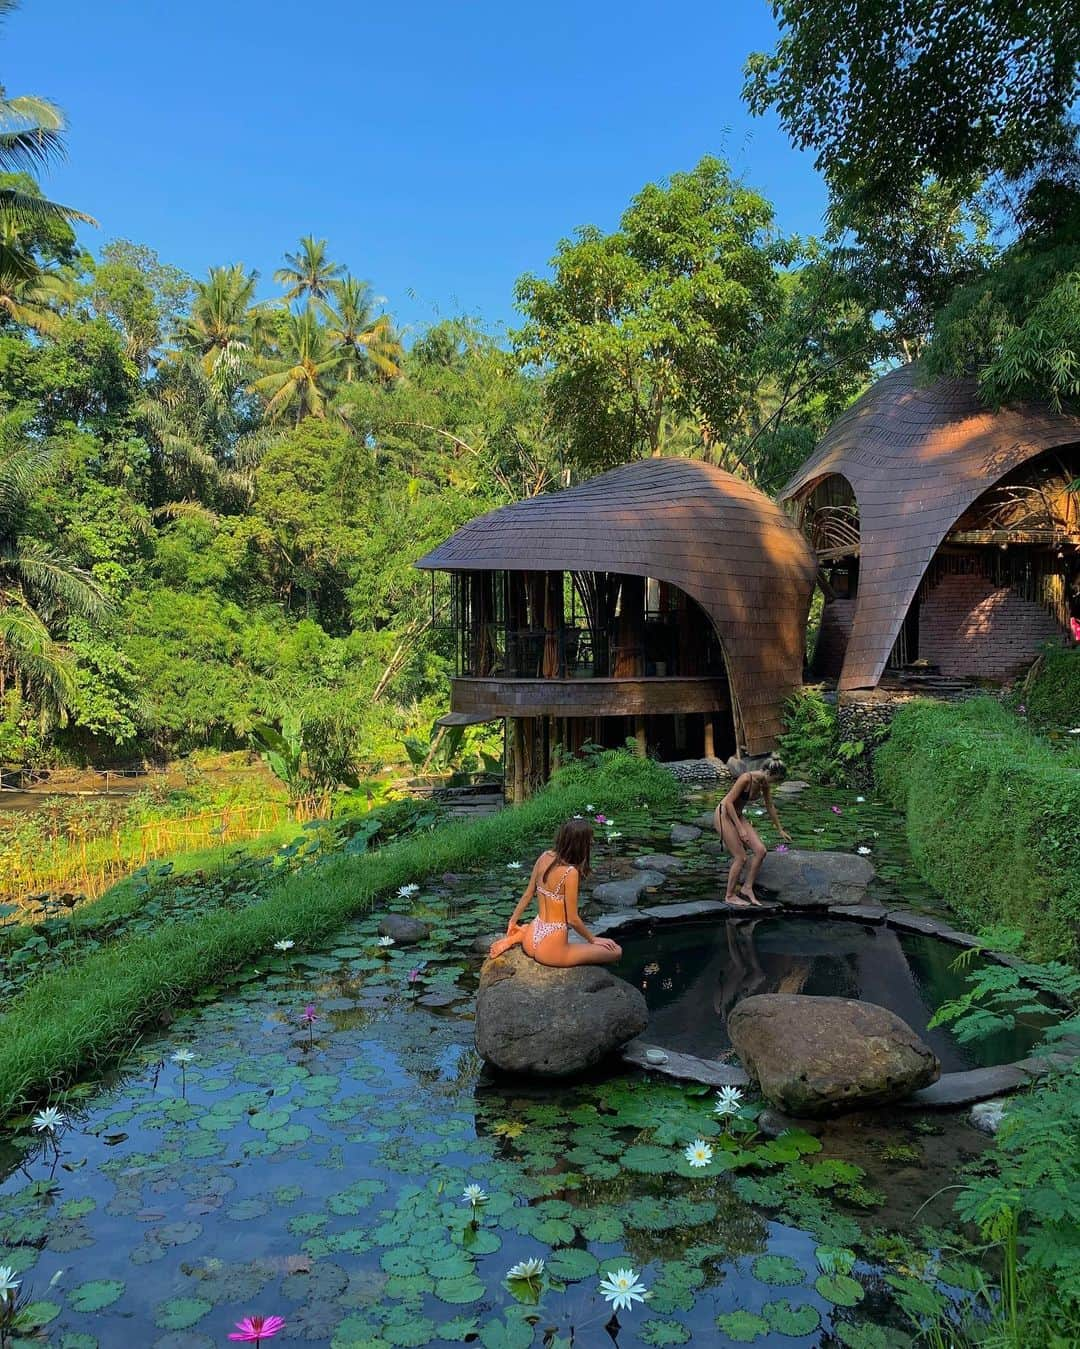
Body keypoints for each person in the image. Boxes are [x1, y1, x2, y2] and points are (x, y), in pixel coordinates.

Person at [487, 818, 622, 966]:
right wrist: (593, 939)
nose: (592, 843)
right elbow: (572, 919)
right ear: (580, 844)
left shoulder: (544, 856)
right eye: (589, 841)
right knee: (616, 951)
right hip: (551, 948)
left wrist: (512, 921)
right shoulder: (570, 872)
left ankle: (516, 938)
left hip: (532, 936)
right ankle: (518, 936)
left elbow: (527, 894)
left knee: (526, 927)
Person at [714, 756, 791, 907]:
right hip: (724, 813)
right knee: (740, 857)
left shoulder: (764, 784)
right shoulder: (745, 778)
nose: (774, 784)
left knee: (761, 851)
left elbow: (770, 806)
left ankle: (747, 888)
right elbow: (729, 802)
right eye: (775, 780)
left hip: (738, 814)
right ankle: (729, 896)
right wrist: (740, 829)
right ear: (769, 773)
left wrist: (780, 829)